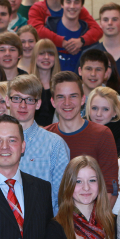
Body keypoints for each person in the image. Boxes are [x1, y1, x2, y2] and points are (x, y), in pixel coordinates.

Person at [45, 71, 119, 202]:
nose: (67, 103)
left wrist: (93, 222)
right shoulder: (45, 137)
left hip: (93, 219)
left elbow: (110, 190)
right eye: (61, 97)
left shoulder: (102, 135)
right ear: (53, 102)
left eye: (73, 96)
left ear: (83, 99)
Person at [7, 75, 70, 215]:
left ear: (38, 103)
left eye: (29, 99)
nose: (23, 105)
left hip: (43, 227)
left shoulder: (55, 145)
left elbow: (62, 198)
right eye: (17, 98)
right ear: (7, 101)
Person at [28, 0, 102, 61]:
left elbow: (97, 30)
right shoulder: (37, 9)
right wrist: (62, 42)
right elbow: (36, 30)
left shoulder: (75, 8)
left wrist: (81, 41)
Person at [87, 3, 120, 95]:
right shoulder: (89, 55)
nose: (110, 23)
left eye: (114, 19)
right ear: (100, 23)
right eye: (105, 19)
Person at [42, 0, 93, 73]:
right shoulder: (49, 31)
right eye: (68, 2)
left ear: (82, 6)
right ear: (62, 5)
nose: (72, 6)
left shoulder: (89, 37)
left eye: (76, 2)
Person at [78, 49, 120, 120]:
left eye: (98, 69)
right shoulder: (69, 99)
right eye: (88, 69)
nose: (93, 74)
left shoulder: (118, 102)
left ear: (105, 73)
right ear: (80, 71)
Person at [30, 39, 60, 127]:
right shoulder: (27, 85)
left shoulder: (60, 86)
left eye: (50, 54)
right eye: (41, 53)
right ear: (34, 56)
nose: (46, 57)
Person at [86, 86, 120, 155]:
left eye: (105, 109)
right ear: (88, 109)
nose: (99, 114)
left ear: (115, 112)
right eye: (94, 108)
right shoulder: (77, 131)